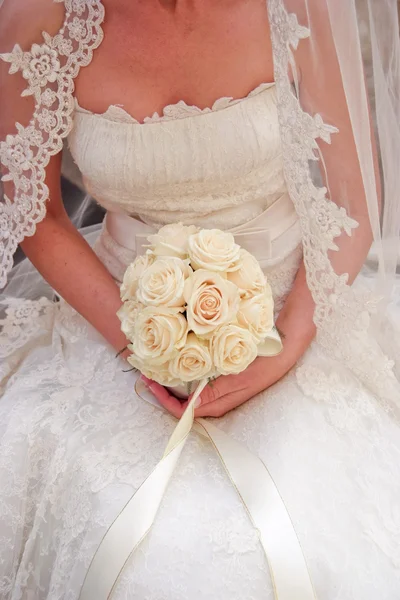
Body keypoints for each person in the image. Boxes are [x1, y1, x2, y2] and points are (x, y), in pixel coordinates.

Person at [0, 0, 399, 598]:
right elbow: (39, 213)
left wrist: (284, 345)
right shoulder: (44, 18)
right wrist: (145, 338)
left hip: (296, 306)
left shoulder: (298, 6)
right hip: (120, 317)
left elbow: (354, 195)